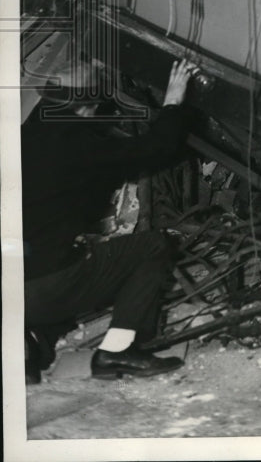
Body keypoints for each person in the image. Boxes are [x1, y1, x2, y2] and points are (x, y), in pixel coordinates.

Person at [23, 58, 203, 382]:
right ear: (84, 108)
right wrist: (174, 101)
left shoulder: (23, 136)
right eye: (94, 107)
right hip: (46, 289)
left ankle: (26, 354)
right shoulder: (81, 146)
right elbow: (156, 148)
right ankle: (118, 349)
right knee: (153, 246)